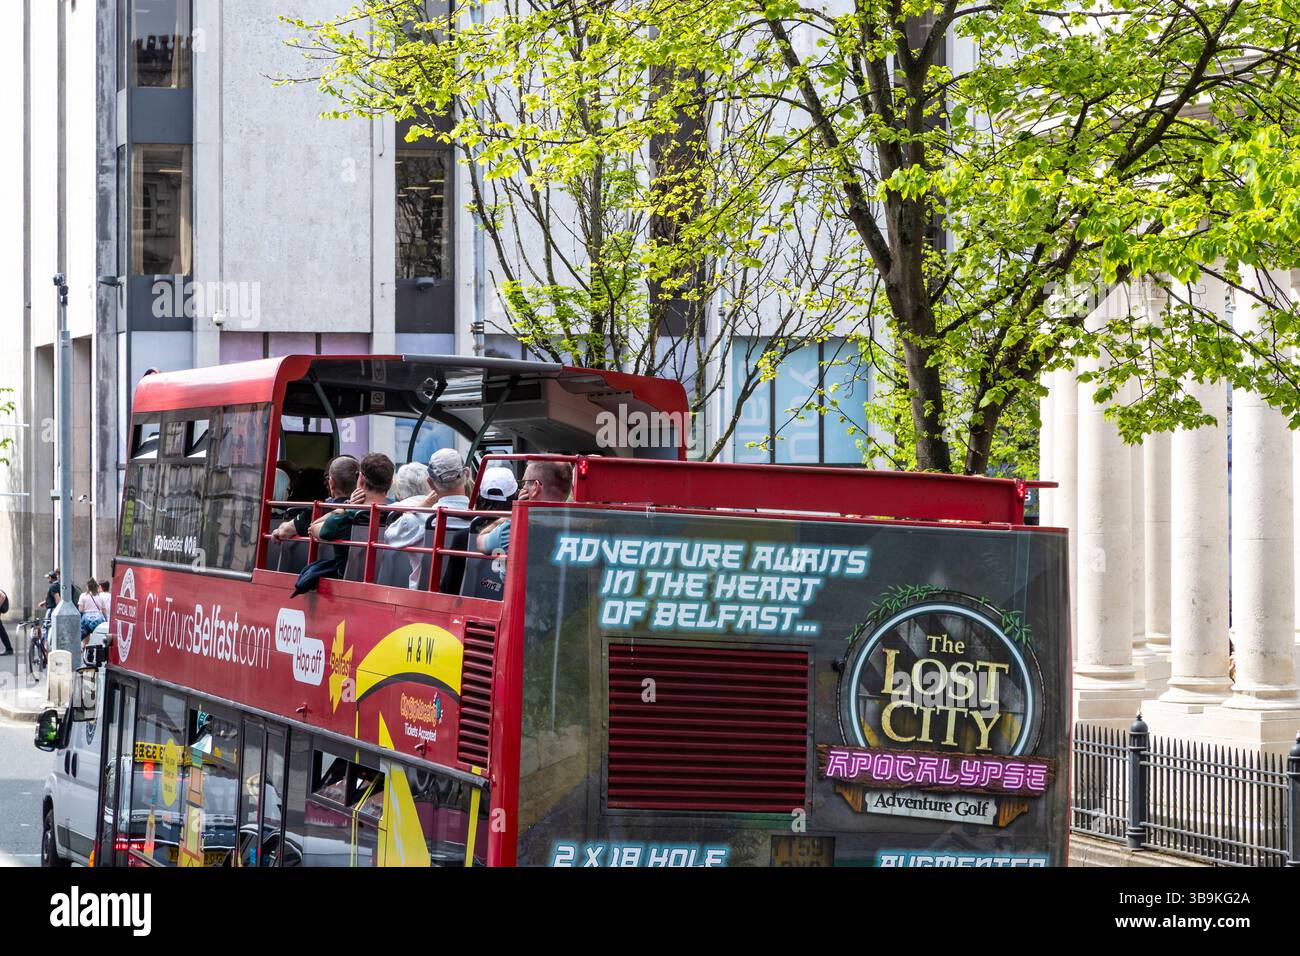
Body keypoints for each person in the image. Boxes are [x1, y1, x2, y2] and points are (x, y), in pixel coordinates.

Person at [385, 449, 472, 588]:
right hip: (469, 599)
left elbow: (389, 537)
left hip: (423, 600)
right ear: (466, 474)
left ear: (430, 483)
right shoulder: (482, 520)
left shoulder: (417, 519)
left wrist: (420, 507)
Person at [309, 453, 395, 577]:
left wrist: (346, 506)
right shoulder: (396, 516)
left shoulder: (346, 517)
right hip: (387, 586)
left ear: (360, 479)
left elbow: (313, 527)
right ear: (391, 483)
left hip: (347, 587)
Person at [476, 459, 571, 554]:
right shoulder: (580, 523)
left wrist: (514, 513)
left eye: (525, 482)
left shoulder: (514, 529)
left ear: (535, 487)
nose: (523, 488)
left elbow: (480, 541)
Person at [271, 456, 358, 543]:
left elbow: (284, 532)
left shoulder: (317, 510)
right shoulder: (364, 510)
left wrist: (280, 529)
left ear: (331, 483)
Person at [0, 585, 12, 656]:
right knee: (1, 631)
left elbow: (3, 596)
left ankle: (9, 649)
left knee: (1, 631)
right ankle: (9, 649)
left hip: (3, 606)